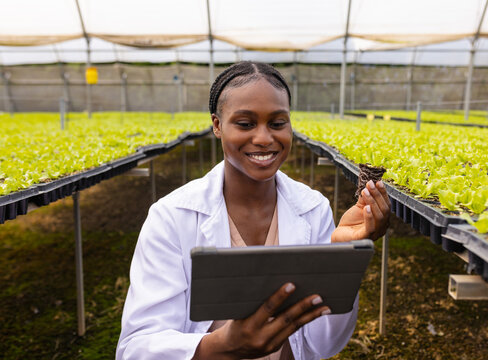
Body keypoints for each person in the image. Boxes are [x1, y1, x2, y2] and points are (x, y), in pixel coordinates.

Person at [116, 61, 390, 360]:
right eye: (245, 124)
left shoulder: (312, 208)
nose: (263, 138)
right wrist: (220, 346)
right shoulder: (172, 216)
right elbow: (136, 348)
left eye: (277, 123)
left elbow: (323, 344)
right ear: (217, 125)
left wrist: (342, 257)